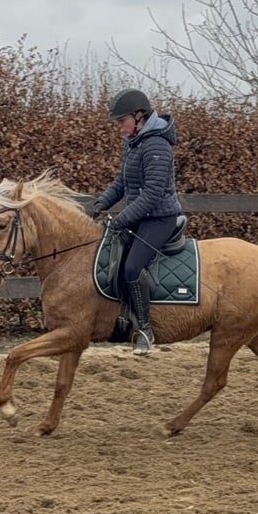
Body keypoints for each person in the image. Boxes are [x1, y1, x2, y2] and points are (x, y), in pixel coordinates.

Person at [93, 88, 182, 355]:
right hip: (140, 215)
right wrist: (100, 203)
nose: (120, 127)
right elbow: (122, 182)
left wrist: (121, 219)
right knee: (112, 256)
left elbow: (153, 194)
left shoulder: (157, 146)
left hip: (160, 218)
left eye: (122, 121)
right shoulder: (134, 143)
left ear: (139, 116)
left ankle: (145, 329)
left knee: (132, 268)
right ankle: (122, 319)